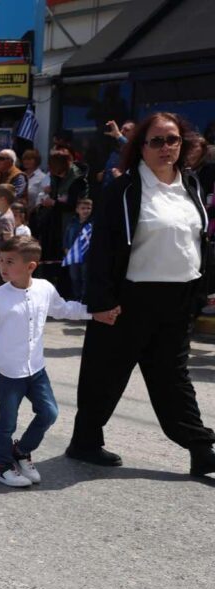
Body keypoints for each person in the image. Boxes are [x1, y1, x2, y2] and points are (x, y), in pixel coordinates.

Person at [65, 112, 215, 478]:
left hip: (178, 300)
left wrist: (202, 291)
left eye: (173, 139)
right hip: (129, 298)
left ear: (184, 143)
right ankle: (85, 441)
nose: (166, 148)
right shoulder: (125, 189)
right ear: (141, 147)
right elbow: (102, 248)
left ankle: (200, 448)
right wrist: (101, 301)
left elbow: (198, 241)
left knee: (173, 378)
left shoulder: (191, 184)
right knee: (106, 374)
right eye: (157, 141)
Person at [0, 236, 107, 487]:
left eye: (10, 262)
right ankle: (1, 466)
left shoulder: (44, 288)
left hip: (36, 370)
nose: (3, 267)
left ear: (31, 266)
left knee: (49, 413)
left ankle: (20, 452)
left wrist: (94, 313)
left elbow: (63, 309)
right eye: (1, 261)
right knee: (7, 422)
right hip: (8, 372)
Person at [61, 197, 93, 302]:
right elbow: (66, 236)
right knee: (75, 278)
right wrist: (65, 248)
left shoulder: (93, 224)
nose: (85, 211)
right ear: (77, 210)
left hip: (87, 257)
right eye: (83, 208)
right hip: (73, 256)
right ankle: (77, 299)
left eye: (88, 208)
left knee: (86, 278)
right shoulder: (72, 223)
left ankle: (84, 300)